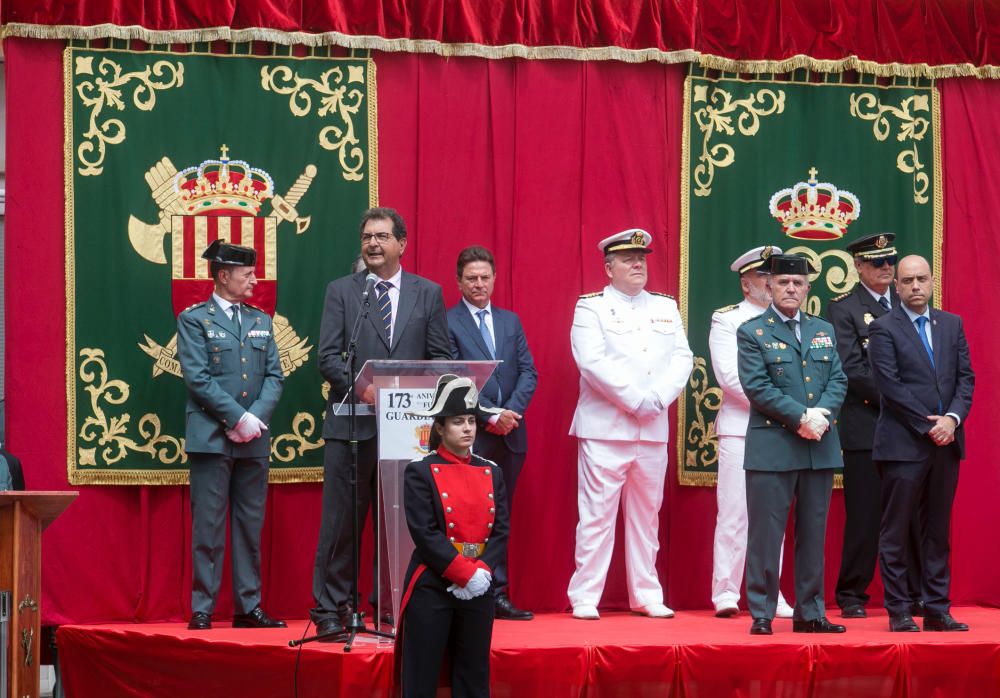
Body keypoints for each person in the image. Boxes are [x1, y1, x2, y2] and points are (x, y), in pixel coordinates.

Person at [312, 207, 452, 640]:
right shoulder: (343, 292)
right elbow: (328, 357)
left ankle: (391, 606)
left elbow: (442, 357)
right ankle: (332, 610)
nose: (373, 243)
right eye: (367, 236)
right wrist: (363, 388)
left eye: (382, 236)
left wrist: (414, 391)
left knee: (400, 525)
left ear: (401, 244)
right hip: (352, 428)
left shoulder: (427, 293)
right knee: (342, 524)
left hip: (406, 431)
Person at [566, 228, 693, 620]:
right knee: (596, 516)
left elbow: (683, 358)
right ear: (609, 268)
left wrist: (657, 398)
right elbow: (592, 362)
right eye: (627, 259)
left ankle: (646, 593)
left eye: (642, 258)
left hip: (653, 426)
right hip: (606, 428)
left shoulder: (665, 306)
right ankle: (585, 595)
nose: (638, 264)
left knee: (646, 517)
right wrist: (636, 400)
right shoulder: (591, 308)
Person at [176, 240, 286, 630]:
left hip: (254, 439)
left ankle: (248, 606)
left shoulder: (261, 320)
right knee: (208, 526)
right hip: (211, 437)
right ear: (224, 276)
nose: (254, 280)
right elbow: (197, 378)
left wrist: (254, 419)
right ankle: (203, 607)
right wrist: (236, 418)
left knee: (249, 526)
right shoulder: (194, 320)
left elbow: (275, 376)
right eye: (247, 274)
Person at [737, 253, 847, 636]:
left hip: (819, 446)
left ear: (807, 288)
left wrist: (823, 415)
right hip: (774, 447)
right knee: (767, 535)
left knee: (813, 534)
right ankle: (763, 612)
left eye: (797, 283)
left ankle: (810, 612)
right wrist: (802, 417)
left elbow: (838, 380)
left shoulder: (823, 330)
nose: (790, 289)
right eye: (783, 282)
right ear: (770, 286)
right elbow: (757, 387)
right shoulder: (753, 331)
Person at [868, 254, 974, 632]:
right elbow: (889, 386)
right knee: (896, 530)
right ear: (896, 286)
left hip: (947, 444)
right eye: (907, 280)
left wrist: (952, 420)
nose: (915, 286)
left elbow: (965, 379)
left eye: (922, 279)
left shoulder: (952, 324)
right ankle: (898, 609)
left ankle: (937, 608)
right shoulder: (883, 328)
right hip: (902, 445)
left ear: (932, 282)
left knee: (937, 532)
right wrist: (928, 425)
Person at [829, 233, 923, 619]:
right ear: (858, 267)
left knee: (912, 514)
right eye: (877, 263)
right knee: (865, 516)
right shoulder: (846, 309)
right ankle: (852, 594)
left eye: (890, 262)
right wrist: (904, 403)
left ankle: (914, 593)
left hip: (909, 429)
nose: (886, 268)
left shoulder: (909, 305)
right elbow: (852, 370)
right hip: (867, 424)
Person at [396, 374, 509, 697]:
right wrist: (462, 572)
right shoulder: (419, 470)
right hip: (433, 583)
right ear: (441, 428)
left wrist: (482, 573)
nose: (467, 428)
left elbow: (501, 530)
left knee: (474, 676)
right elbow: (424, 532)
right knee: (421, 675)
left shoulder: (492, 470)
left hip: (480, 585)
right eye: (458, 421)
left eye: (471, 421)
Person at [447, 246, 538, 621]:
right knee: (472, 516)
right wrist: (489, 415)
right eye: (472, 278)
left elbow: (529, 372)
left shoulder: (510, 321)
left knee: (501, 517)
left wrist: (510, 412)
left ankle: (497, 592)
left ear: (494, 279)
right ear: (459, 282)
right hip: (475, 435)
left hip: (511, 434)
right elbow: (452, 376)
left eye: (485, 277)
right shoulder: (448, 321)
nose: (479, 284)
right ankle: (470, 587)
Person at [709, 245, 793, 619]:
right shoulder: (728, 320)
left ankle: (771, 593)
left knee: (774, 516)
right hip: (742, 428)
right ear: (746, 284)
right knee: (734, 514)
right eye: (764, 276)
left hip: (782, 432)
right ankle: (726, 591)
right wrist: (785, 405)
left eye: (773, 275)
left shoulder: (792, 320)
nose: (771, 282)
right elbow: (731, 378)